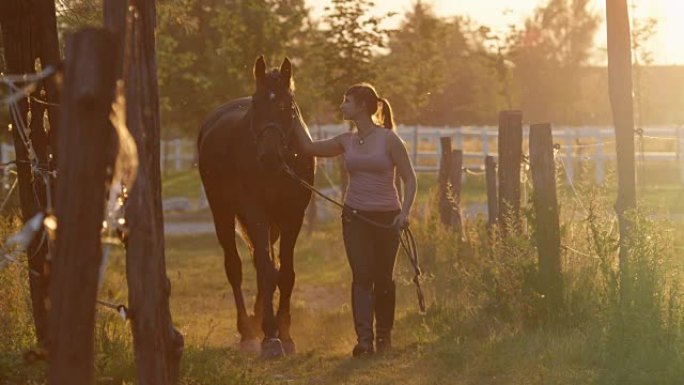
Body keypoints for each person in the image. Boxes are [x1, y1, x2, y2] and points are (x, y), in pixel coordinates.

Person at [293, 83, 417, 357]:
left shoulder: (389, 140)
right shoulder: (345, 141)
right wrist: (293, 111)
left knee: (383, 278)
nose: (342, 106)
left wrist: (404, 213)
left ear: (362, 106)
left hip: (387, 217)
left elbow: (410, 178)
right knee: (362, 275)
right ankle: (365, 341)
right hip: (355, 216)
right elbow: (308, 147)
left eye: (346, 101)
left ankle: (384, 337)